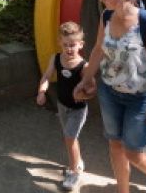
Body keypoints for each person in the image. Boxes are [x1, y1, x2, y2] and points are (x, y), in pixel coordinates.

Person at [74, 0, 146, 193]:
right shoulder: (106, 16)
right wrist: (85, 80)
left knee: (133, 152)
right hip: (110, 92)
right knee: (115, 144)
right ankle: (122, 190)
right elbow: (98, 49)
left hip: (141, 97)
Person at [37, 21, 90, 191]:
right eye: (65, 45)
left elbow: (93, 88)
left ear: (80, 44)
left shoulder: (84, 66)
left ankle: (74, 172)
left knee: (69, 138)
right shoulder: (56, 58)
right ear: (60, 42)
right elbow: (46, 76)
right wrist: (41, 92)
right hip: (62, 105)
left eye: (73, 45)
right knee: (70, 139)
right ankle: (78, 162)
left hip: (78, 109)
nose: (69, 49)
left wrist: (83, 92)